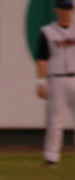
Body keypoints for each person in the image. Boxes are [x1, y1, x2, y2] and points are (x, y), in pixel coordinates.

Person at [37, 0, 75, 167]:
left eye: (69, 7)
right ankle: (51, 157)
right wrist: (40, 82)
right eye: (63, 7)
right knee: (55, 120)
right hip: (56, 78)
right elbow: (42, 58)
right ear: (56, 10)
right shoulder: (48, 31)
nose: (66, 11)